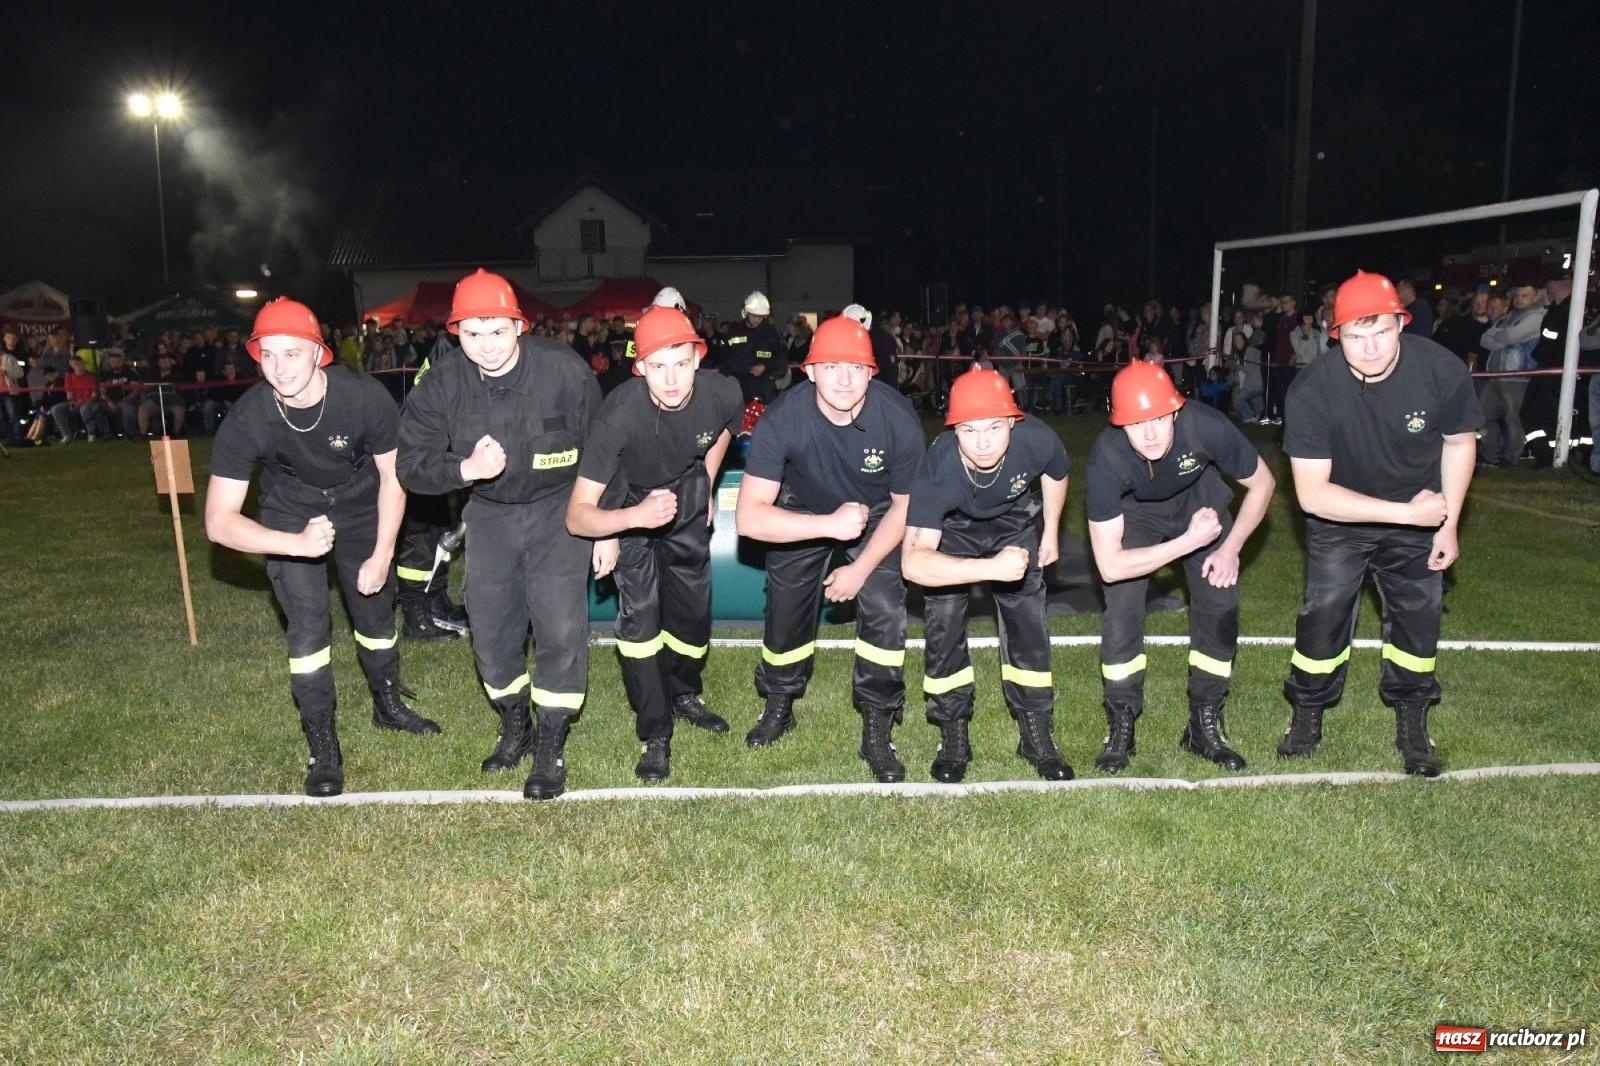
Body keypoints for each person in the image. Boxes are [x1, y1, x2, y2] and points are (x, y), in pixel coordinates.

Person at [204, 298, 440, 798]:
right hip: (290, 509)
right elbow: (219, 522)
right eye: (268, 355)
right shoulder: (248, 417)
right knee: (308, 624)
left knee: (375, 615)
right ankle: (322, 742)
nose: (279, 368)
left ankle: (388, 703)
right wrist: (295, 544)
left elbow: (393, 478)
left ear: (318, 352)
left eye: (292, 354)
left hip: (359, 502)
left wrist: (381, 553)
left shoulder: (363, 397)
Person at [396, 269, 606, 801]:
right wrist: (464, 470)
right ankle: (516, 720)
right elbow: (411, 464)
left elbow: (607, 452)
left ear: (519, 325)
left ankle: (551, 742)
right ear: (455, 333)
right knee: (490, 631)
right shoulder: (442, 383)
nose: (486, 346)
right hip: (488, 514)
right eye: (472, 334)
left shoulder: (564, 371)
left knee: (560, 625)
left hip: (561, 510)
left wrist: (607, 527)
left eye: (496, 331)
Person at [1278, 270, 1482, 777]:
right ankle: (1307, 713)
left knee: (1419, 615)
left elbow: (1459, 442)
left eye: (1381, 332)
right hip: (1341, 516)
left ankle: (1413, 721)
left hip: (1419, 516)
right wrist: (1406, 514)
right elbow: (1311, 494)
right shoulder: (1311, 391)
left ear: (1401, 323)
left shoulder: (1441, 369)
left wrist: (1447, 522)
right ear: (1335, 334)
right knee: (1324, 614)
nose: (1369, 348)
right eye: (1354, 336)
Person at [734, 315, 924, 782]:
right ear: (810, 370)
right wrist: (828, 525)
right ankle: (780, 701)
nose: (844, 379)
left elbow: (906, 508)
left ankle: (878, 724)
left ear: (872, 373)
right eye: (832, 366)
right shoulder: (782, 417)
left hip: (878, 510)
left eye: (856, 368)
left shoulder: (896, 418)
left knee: (883, 604)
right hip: (805, 505)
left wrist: (859, 569)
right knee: (786, 605)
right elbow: (749, 517)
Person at [565, 306, 744, 781]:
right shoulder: (616, 415)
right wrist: (616, 527)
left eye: (681, 363)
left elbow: (728, 424)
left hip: (684, 489)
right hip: (629, 500)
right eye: (658, 366)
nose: (671, 379)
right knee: (641, 619)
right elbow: (577, 513)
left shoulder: (722, 391)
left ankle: (684, 693)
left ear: (697, 360)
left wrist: (706, 478)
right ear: (639, 365)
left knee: (690, 614)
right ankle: (655, 732)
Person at [1084, 360, 1275, 774]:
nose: (1149, 433)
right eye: (1136, 424)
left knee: (1220, 599)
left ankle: (1203, 723)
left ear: (1175, 410)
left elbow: (1263, 483)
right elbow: (1110, 566)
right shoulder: (1106, 459)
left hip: (1198, 497)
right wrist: (1188, 542)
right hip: (1136, 513)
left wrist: (1231, 548)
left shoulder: (1206, 426)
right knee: (1121, 610)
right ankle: (1121, 720)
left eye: (1157, 419)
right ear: (1119, 425)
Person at [901, 368, 1073, 783]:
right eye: (969, 430)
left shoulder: (1037, 438)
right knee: (943, 622)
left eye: (994, 428)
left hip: (1014, 519)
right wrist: (990, 569)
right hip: (953, 526)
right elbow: (912, 564)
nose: (982, 443)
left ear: (1013, 422)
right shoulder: (936, 471)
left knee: (1028, 620)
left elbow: (1057, 471)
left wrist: (1050, 530)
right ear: (954, 428)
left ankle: (1035, 732)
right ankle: (953, 732)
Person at [723, 291, 786, 404]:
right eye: (755, 316)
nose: (758, 320)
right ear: (746, 313)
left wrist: (765, 367)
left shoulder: (771, 333)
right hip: (739, 388)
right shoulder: (735, 332)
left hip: (764, 390)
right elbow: (725, 358)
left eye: (761, 317)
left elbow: (782, 357)